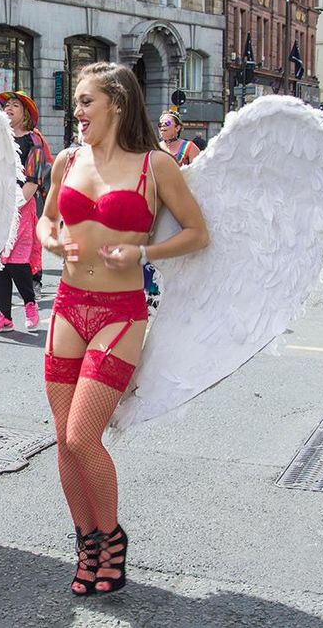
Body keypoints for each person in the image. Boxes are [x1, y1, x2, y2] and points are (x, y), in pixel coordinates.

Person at [37, 62, 208, 596]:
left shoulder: (156, 165)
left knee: (83, 435)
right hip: (67, 304)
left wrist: (144, 250)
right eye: (77, 103)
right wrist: (50, 241)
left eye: (86, 101)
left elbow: (198, 233)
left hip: (121, 312)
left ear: (116, 102)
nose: (78, 112)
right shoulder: (68, 159)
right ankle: (85, 541)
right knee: (62, 442)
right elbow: (45, 219)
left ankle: (112, 538)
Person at [0, 90, 48, 333]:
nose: (8, 108)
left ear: (26, 114)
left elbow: (33, 179)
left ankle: (30, 304)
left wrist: (14, 203)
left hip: (21, 205)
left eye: (14, 106)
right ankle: (4, 316)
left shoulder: (34, 140)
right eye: (6, 105)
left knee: (17, 261)